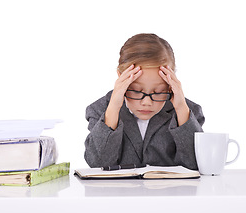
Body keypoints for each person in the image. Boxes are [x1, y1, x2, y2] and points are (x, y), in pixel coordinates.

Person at [84, 33, 205, 170]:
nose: (147, 102)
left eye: (158, 91)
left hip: (170, 191)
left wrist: (181, 109)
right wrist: (113, 109)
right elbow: (97, 164)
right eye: (136, 91)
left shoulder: (188, 112)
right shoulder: (101, 110)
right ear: (120, 77)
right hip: (118, 191)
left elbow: (198, 164)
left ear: (171, 83)